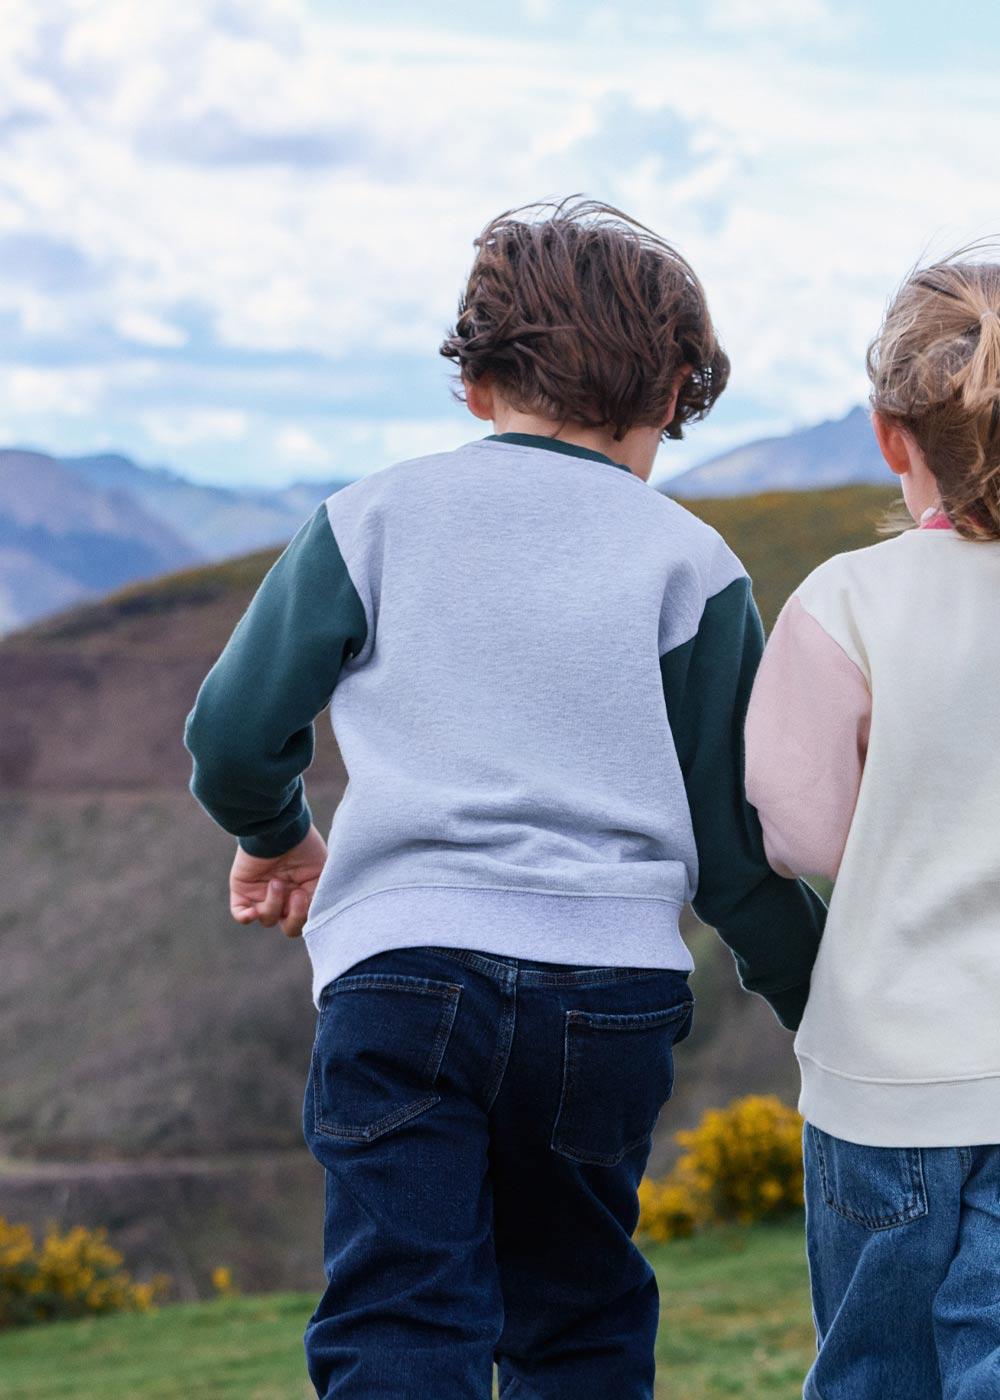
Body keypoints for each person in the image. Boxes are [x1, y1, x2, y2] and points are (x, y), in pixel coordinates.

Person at [184, 197, 826, 1400]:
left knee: (400, 1308)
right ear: (672, 394)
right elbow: (739, 852)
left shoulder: (368, 517)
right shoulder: (694, 562)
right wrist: (823, 999)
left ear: (475, 383)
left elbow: (230, 735)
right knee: (576, 1309)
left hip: (401, 969)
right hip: (608, 993)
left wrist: (277, 834)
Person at [744, 251, 1000, 1400]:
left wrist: (895, 857)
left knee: (869, 1374)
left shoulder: (844, 597)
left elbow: (793, 829)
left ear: (889, 433)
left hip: (881, 1078)